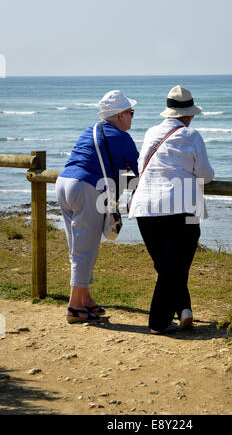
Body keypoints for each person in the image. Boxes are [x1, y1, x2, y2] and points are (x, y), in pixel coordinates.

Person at [129, 85, 214, 335]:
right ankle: (158, 322)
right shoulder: (191, 136)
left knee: (167, 265)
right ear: (188, 114)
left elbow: (141, 164)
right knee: (174, 266)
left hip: (146, 208)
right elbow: (206, 175)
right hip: (182, 210)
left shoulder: (151, 132)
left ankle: (184, 309)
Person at [56, 90, 139, 324]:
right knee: (86, 249)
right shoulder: (122, 137)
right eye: (131, 113)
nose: (133, 117)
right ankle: (74, 307)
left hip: (64, 183)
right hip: (86, 187)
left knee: (78, 247)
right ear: (120, 115)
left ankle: (85, 300)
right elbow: (141, 169)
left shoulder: (90, 129)